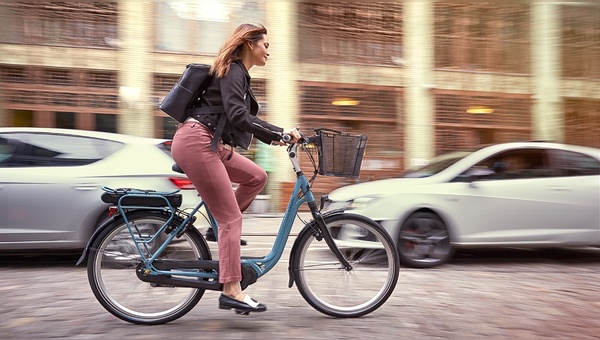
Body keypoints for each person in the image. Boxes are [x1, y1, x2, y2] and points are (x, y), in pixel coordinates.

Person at [170, 23, 300, 314]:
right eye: (265, 44)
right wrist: (279, 132)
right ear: (249, 44)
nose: (269, 50)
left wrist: (275, 136)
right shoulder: (232, 69)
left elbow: (235, 116)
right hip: (198, 142)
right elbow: (238, 114)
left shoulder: (238, 72)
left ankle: (218, 231)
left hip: (209, 143)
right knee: (231, 220)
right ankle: (231, 290)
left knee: (257, 176)